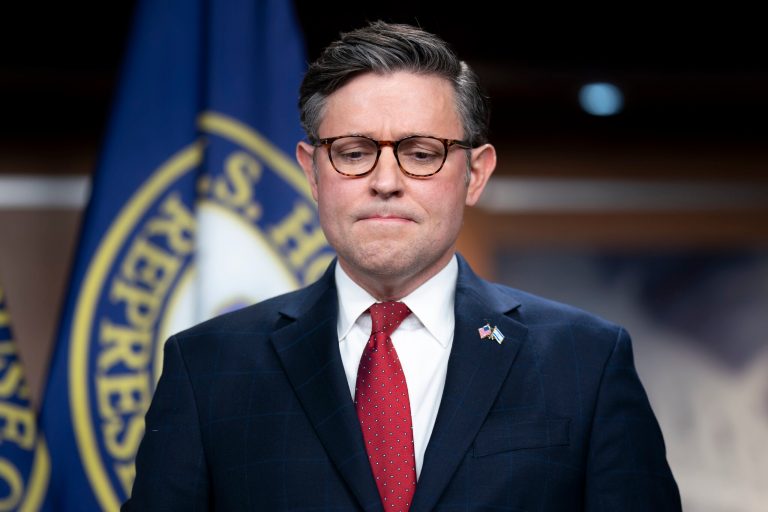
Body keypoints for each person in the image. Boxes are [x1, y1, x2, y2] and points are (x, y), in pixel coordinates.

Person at [125, 21, 681, 511]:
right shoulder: (207, 368)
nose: (386, 181)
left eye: (420, 153)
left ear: (476, 173)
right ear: (311, 171)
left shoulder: (584, 361)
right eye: (352, 151)